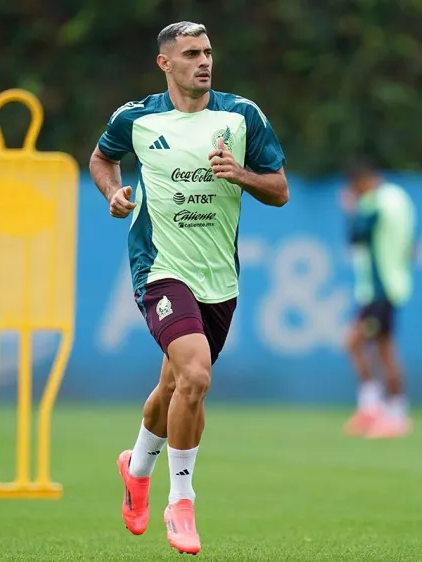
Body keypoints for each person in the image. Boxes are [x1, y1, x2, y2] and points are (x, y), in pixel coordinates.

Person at [89, 21, 289, 555]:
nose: (204, 61)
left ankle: (135, 466)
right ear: (165, 63)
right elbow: (101, 157)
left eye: (208, 52)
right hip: (160, 268)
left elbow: (280, 190)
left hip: (219, 277)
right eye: (191, 53)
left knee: (176, 388)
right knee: (196, 374)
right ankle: (181, 501)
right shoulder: (136, 117)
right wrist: (112, 192)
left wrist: (240, 174)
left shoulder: (242, 116)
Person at [340, 160, 416, 439]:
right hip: (391, 286)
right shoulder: (400, 198)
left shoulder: (374, 201)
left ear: (362, 183)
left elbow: (355, 235)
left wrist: (350, 209)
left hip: (379, 290)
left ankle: (393, 413)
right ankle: (376, 408)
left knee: (370, 347)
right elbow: (412, 245)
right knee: (371, 346)